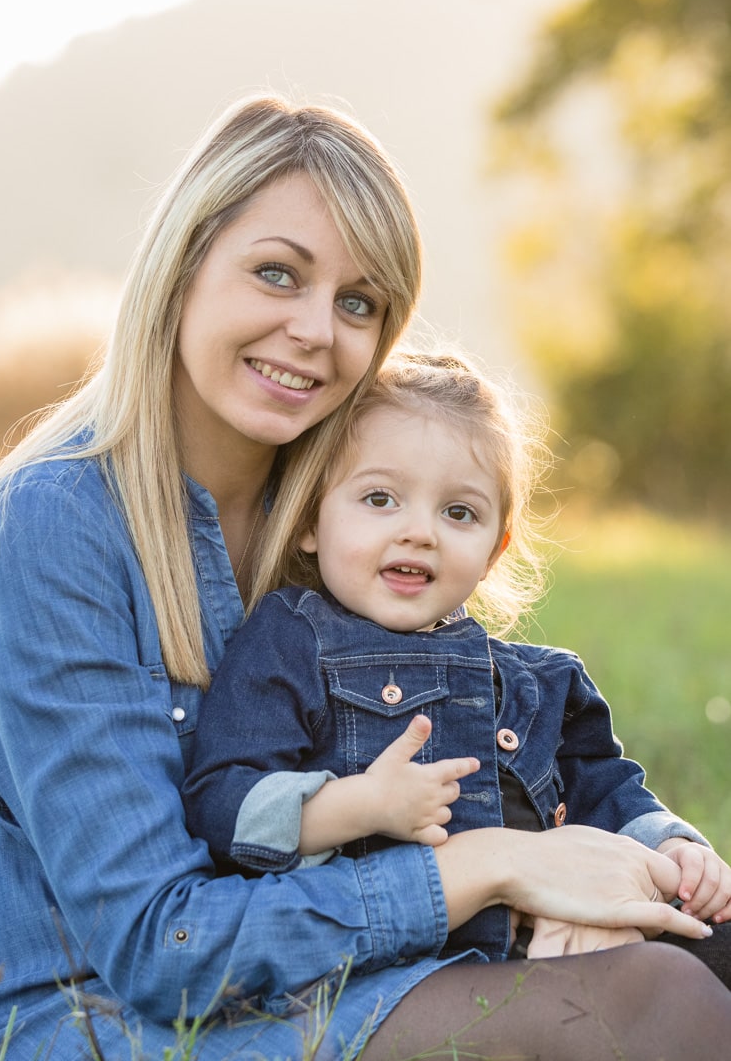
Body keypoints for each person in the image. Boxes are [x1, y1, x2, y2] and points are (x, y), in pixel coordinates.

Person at [0, 92, 731, 1061]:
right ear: (184, 264)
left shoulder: (339, 509)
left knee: (699, 944)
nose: (313, 330)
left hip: (311, 971)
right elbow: (161, 948)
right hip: (77, 1014)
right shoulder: (50, 530)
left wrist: (632, 864)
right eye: (276, 274)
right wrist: (495, 866)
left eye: (357, 303)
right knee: (650, 1006)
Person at [182, 349, 731, 968]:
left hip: (562, 929)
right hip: (415, 957)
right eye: (380, 499)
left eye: (459, 512)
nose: (421, 531)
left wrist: (672, 845)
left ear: (494, 548)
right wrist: (357, 805)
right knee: (665, 989)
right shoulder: (292, 639)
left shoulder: (539, 680)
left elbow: (607, 791)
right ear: (310, 518)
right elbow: (222, 807)